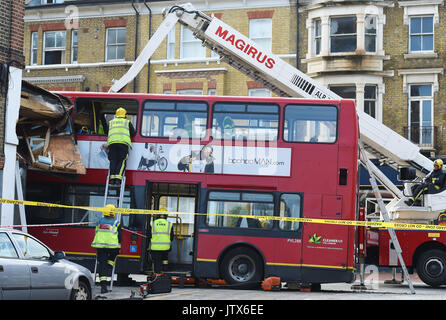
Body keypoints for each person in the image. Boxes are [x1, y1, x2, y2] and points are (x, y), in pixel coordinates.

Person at [91, 204, 122, 293]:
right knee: (115, 253)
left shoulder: (99, 221)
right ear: (114, 213)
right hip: (112, 247)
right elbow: (120, 237)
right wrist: (119, 245)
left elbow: (96, 231)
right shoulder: (117, 223)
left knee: (102, 266)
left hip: (100, 247)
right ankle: (110, 265)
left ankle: (103, 286)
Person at [107, 107, 136, 186]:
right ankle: (118, 180)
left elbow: (107, 132)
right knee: (121, 161)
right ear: (125, 115)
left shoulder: (111, 122)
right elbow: (133, 133)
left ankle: (112, 179)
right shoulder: (127, 122)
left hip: (112, 143)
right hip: (123, 144)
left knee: (113, 160)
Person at [148, 208, 174, 275]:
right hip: (166, 247)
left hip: (155, 247)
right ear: (166, 215)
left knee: (157, 261)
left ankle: (157, 274)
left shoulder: (153, 223)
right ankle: (165, 269)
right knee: (165, 258)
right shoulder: (169, 224)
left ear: (158, 215)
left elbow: (149, 235)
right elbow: (172, 237)